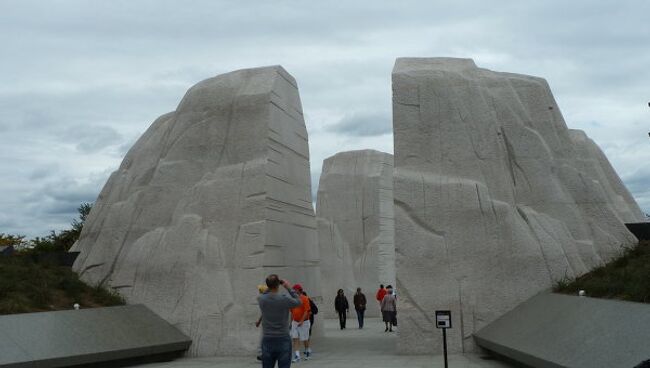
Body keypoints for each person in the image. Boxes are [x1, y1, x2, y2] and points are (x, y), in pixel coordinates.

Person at [258, 275, 302, 368]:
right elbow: (299, 301)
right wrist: (288, 287)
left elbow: (264, 294)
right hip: (283, 338)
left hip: (267, 338)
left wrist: (269, 287)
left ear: (267, 286)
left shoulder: (261, 299)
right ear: (278, 284)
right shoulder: (284, 299)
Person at [290, 284, 312, 363]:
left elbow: (307, 311)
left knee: (304, 339)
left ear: (299, 290)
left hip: (304, 322)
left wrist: (302, 320)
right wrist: (291, 322)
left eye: (294, 290)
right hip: (295, 322)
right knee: (295, 338)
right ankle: (297, 356)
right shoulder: (292, 300)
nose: (293, 291)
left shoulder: (305, 298)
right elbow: (292, 312)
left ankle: (307, 351)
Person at [255, 284, 268, 361]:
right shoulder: (266, 298)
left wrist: (259, 321)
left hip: (267, 323)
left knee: (264, 339)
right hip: (268, 322)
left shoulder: (261, 299)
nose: (259, 292)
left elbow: (264, 312)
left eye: (260, 291)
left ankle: (265, 354)